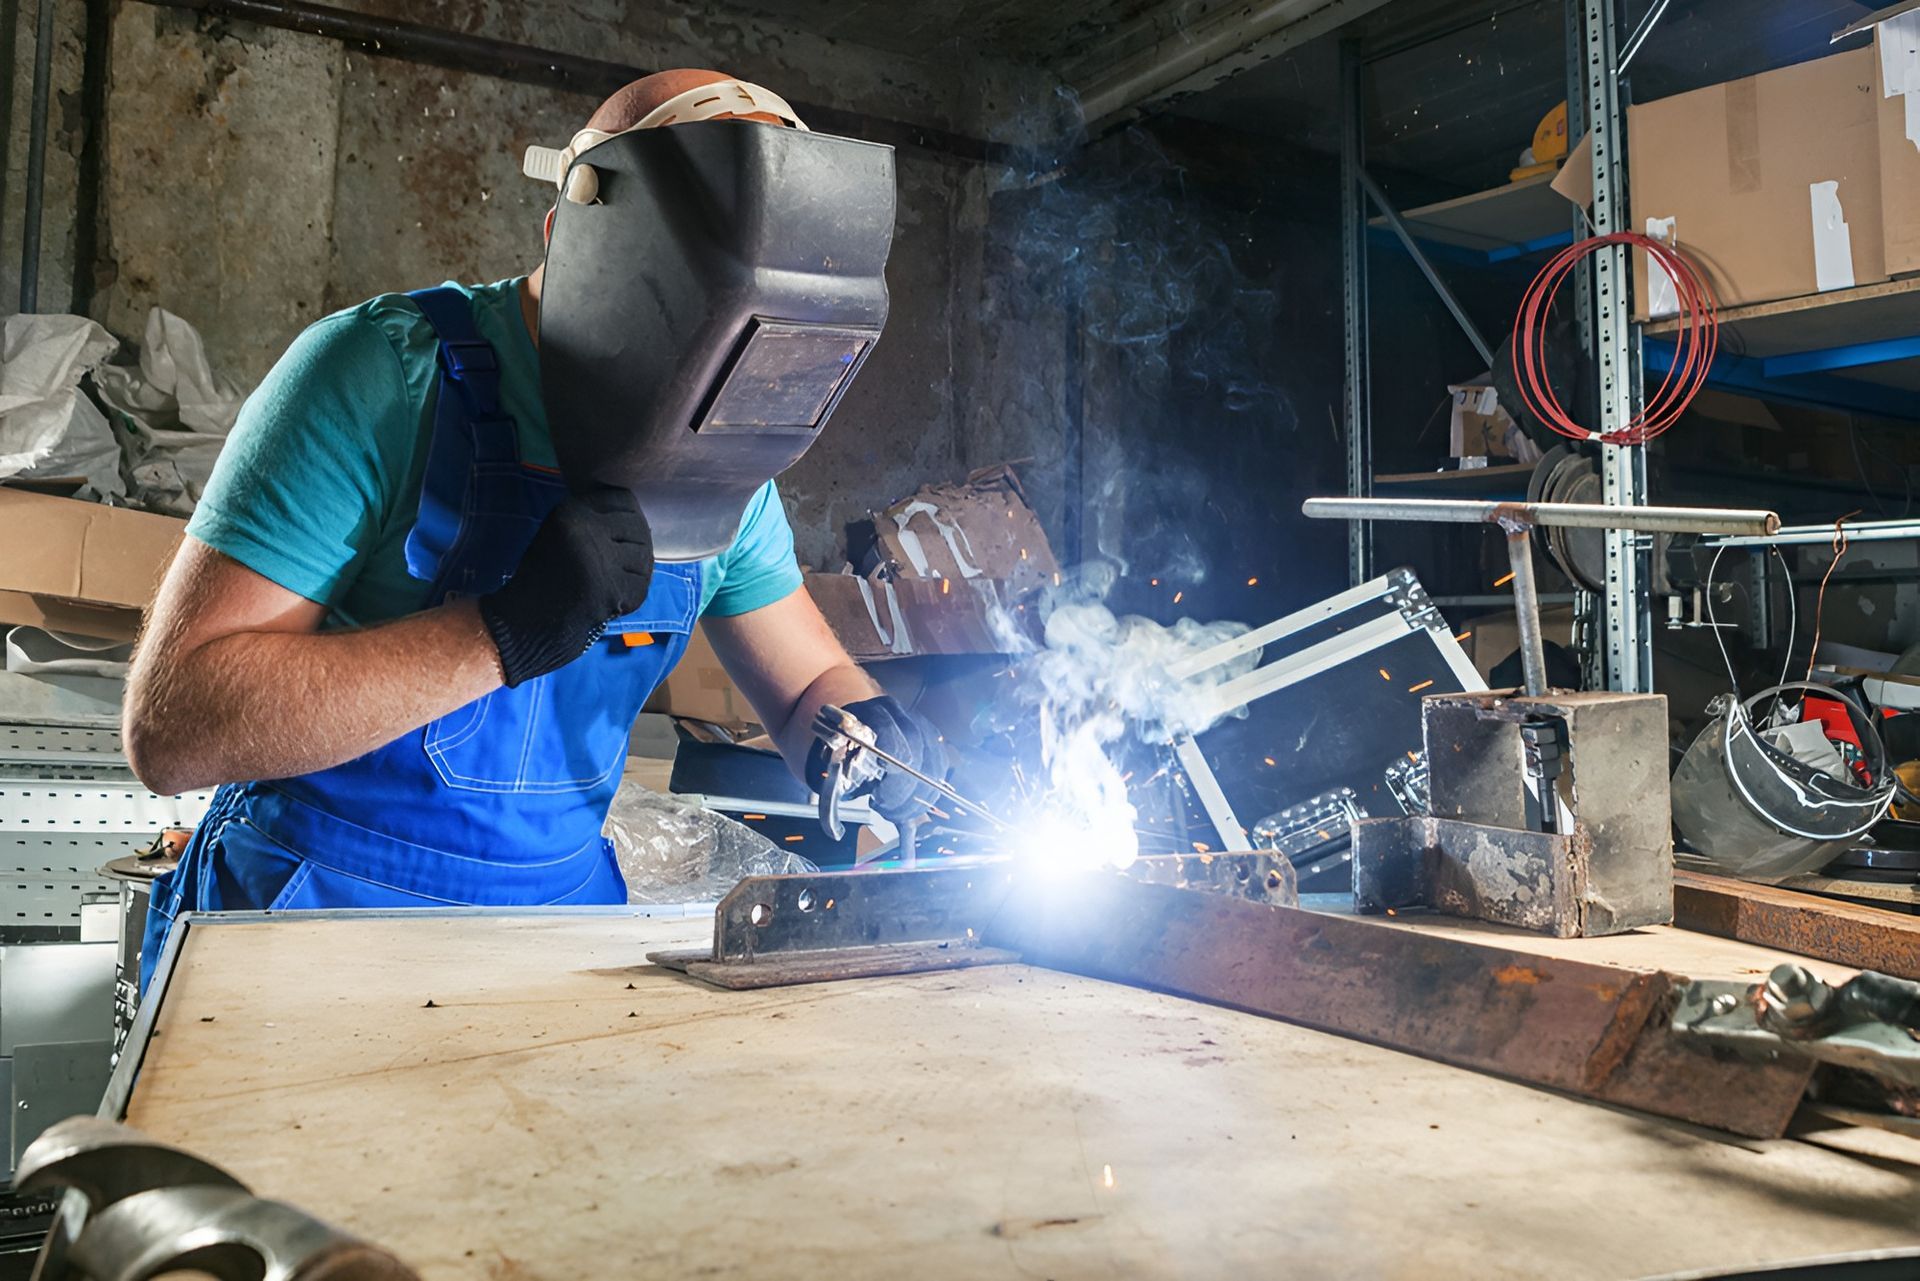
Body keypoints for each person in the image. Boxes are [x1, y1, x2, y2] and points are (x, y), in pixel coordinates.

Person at [123, 68, 943, 983]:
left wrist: (865, 739)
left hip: (554, 948)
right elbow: (175, 728)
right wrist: (496, 634)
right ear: (572, 233)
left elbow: (808, 688)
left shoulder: (729, 465)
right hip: (320, 924)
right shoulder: (380, 376)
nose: (714, 391)